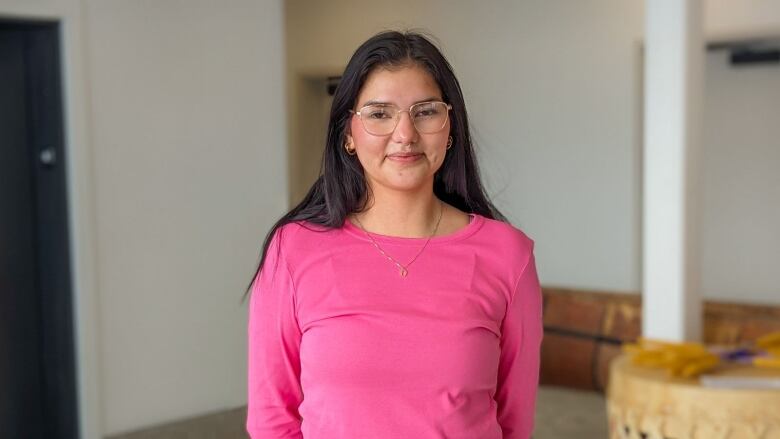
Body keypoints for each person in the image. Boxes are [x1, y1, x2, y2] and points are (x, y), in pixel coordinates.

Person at [246, 30, 543, 439]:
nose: (405, 134)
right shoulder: (292, 250)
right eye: (380, 113)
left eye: (425, 112)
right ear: (348, 133)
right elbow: (272, 421)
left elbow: (514, 422)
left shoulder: (509, 256)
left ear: (450, 127)